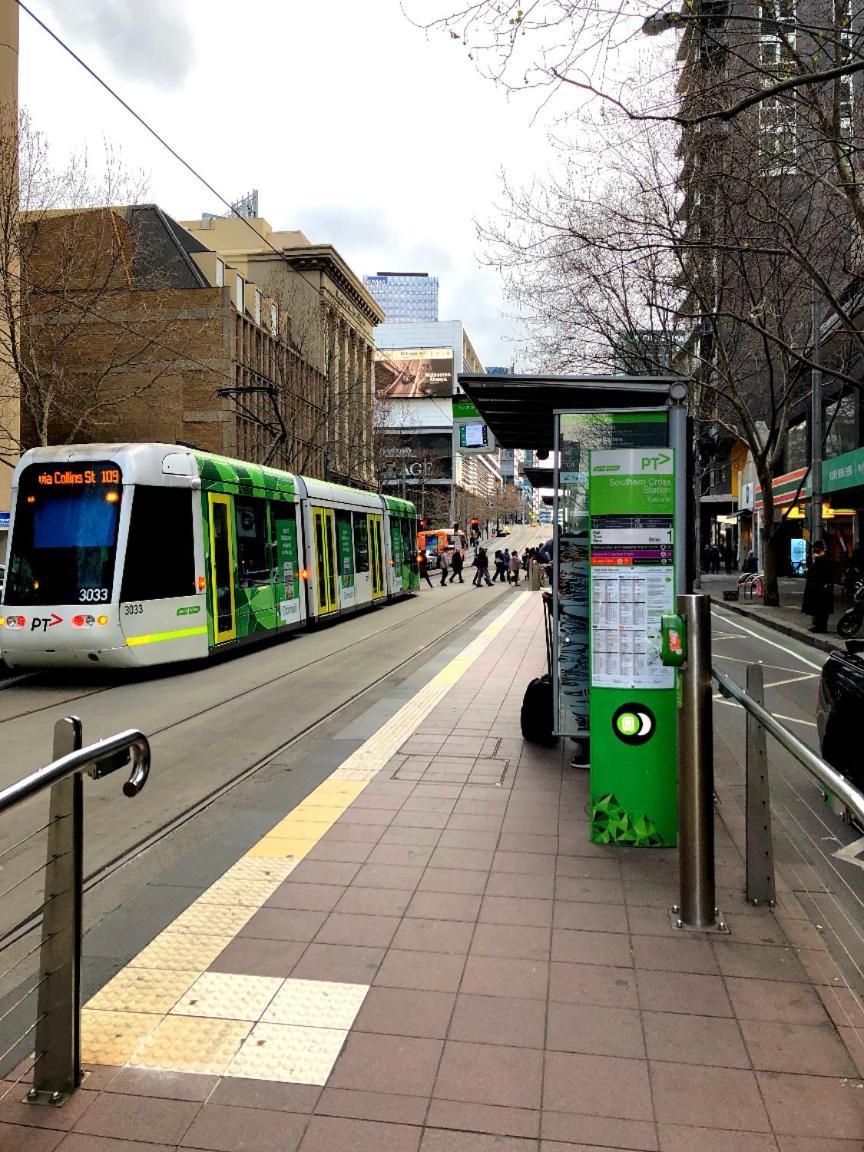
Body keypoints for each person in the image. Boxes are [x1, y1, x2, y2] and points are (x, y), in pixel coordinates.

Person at [802, 540, 834, 633]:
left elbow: (814, 573)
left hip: (820, 588)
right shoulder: (827, 558)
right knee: (822, 610)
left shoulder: (821, 560)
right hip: (824, 588)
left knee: (820, 609)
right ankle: (820, 626)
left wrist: (814, 561)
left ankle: (819, 627)